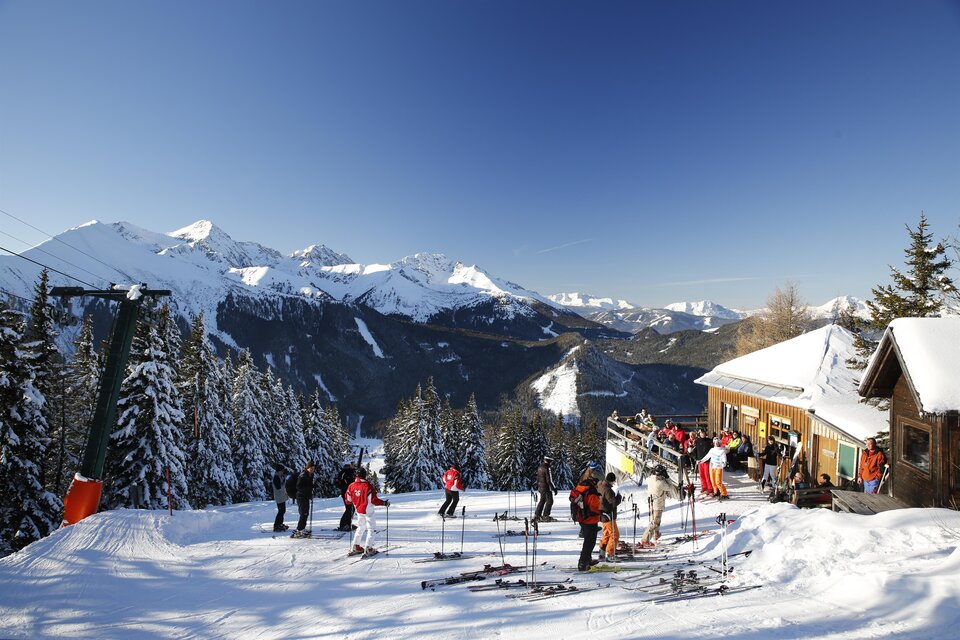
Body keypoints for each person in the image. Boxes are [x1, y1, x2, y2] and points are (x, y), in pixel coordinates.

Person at [345, 467, 389, 555]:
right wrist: (384, 503)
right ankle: (369, 548)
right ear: (364, 475)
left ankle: (356, 546)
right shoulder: (367, 486)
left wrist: (356, 501)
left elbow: (348, 500)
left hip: (358, 510)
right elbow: (374, 500)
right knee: (371, 528)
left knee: (361, 527)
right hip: (368, 510)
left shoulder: (351, 486)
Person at [571, 468, 602, 571]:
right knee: (589, 542)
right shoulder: (591, 490)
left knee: (588, 541)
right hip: (590, 519)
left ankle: (587, 560)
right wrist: (602, 511)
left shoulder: (581, 486)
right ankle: (583, 563)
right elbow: (594, 506)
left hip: (582, 518)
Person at [641, 464, 670, 547]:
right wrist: (667, 477)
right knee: (655, 522)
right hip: (658, 503)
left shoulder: (650, 479)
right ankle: (645, 540)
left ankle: (656, 534)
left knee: (656, 520)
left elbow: (649, 477)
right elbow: (670, 487)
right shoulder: (661, 483)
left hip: (652, 501)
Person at [597, 472, 622, 562]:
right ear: (612, 481)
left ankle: (602, 552)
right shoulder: (608, 490)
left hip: (602, 514)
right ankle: (610, 554)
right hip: (608, 514)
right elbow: (613, 502)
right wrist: (619, 497)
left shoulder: (600, 485)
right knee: (615, 534)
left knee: (607, 534)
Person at [292, 461, 315, 537]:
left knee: (305, 513)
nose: (312, 469)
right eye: (311, 468)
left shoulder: (309, 475)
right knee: (303, 513)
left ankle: (302, 528)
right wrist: (309, 488)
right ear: (307, 468)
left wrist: (312, 486)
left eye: (313, 468)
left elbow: (309, 485)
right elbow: (298, 487)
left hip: (305, 497)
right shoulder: (303, 475)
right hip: (301, 496)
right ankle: (299, 529)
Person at [534, 456, 557, 522]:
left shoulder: (540, 467)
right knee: (550, 501)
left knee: (542, 500)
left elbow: (537, 477)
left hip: (541, 487)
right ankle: (545, 516)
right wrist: (554, 488)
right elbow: (549, 480)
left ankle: (537, 515)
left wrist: (538, 486)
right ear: (549, 461)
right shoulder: (547, 468)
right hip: (546, 487)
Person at [692, 430, 714, 496]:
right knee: (702, 475)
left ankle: (710, 488)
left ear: (705, 434)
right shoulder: (697, 441)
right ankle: (704, 487)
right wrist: (696, 458)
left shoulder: (709, 441)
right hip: (700, 460)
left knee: (707, 475)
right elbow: (695, 450)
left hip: (707, 460)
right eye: (701, 433)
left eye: (703, 433)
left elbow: (712, 450)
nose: (702, 434)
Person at [335, 462, 356, 532]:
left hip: (350, 493)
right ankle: (343, 525)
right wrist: (345, 487)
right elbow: (339, 483)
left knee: (351, 508)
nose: (352, 466)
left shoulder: (350, 473)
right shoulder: (344, 473)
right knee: (349, 509)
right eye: (351, 466)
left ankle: (348, 524)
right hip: (346, 493)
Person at [271, 463, 289, 532]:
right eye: (282, 471)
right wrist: (284, 482)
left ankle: (280, 524)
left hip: (282, 497)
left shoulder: (280, 476)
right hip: (279, 497)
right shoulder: (276, 477)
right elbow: (278, 487)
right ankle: (276, 525)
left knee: (282, 511)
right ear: (279, 471)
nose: (283, 472)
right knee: (281, 511)